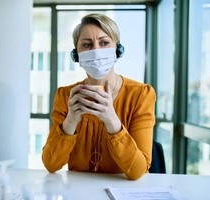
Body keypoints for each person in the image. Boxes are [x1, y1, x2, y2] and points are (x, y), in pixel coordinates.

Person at [42, 13, 156, 180]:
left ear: (118, 49)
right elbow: (51, 164)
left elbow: (138, 171)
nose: (96, 51)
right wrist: (71, 120)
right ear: (76, 55)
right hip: (78, 191)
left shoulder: (140, 94)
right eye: (87, 45)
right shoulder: (65, 95)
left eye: (104, 43)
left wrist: (112, 120)